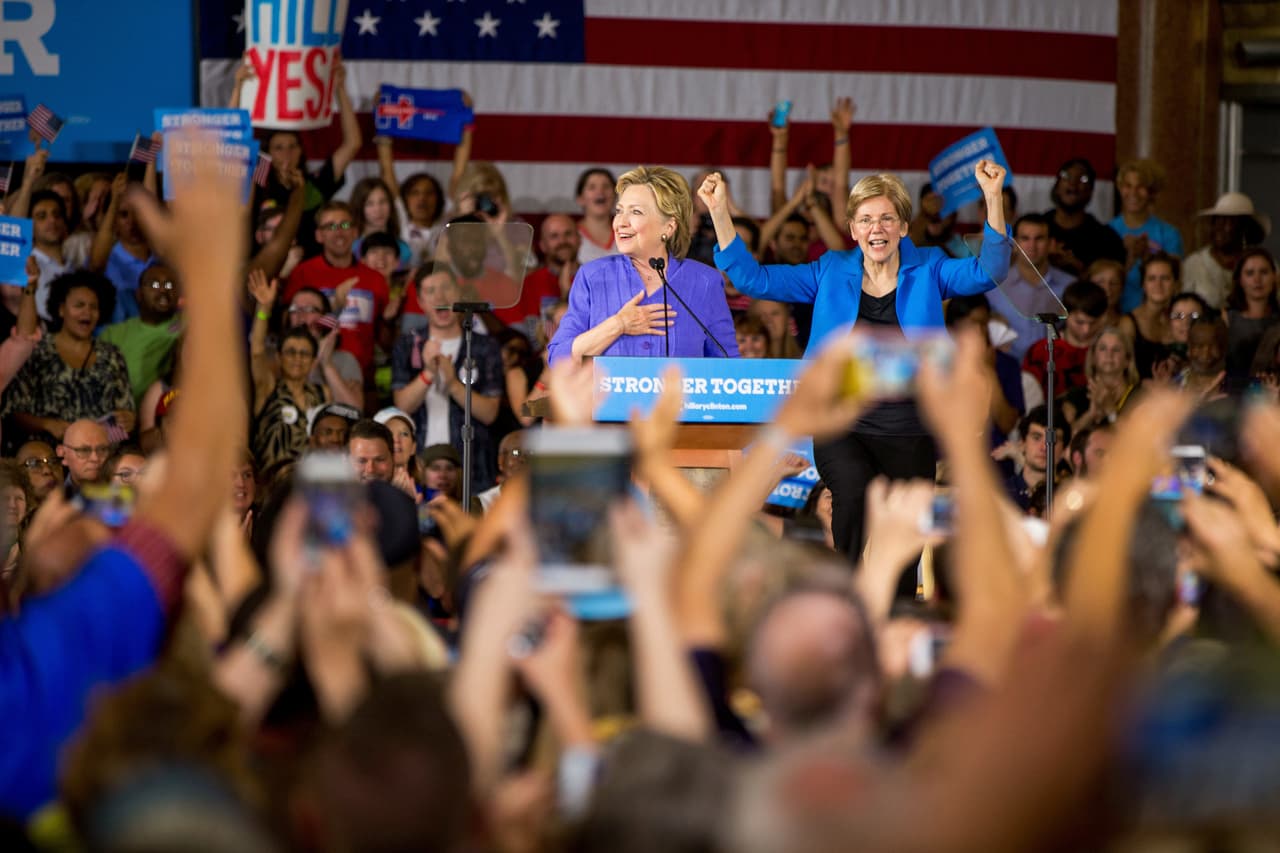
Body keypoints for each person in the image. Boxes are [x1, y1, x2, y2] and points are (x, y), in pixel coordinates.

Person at [701, 159, 1009, 558]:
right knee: (852, 491)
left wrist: (993, 197)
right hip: (842, 420)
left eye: (886, 219)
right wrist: (720, 211)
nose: (875, 229)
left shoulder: (929, 267)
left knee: (905, 535)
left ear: (901, 226)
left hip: (909, 427)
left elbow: (990, 270)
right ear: (852, 230)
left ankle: (895, 608)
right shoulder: (829, 270)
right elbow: (752, 279)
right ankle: (845, 587)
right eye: (865, 220)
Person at [548, 166, 738, 364]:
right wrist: (618, 324)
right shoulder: (592, 276)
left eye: (636, 212)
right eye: (619, 211)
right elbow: (558, 359)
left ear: (669, 226)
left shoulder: (705, 281)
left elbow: (729, 364)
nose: (620, 222)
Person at [391, 270, 504, 494]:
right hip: (421, 463)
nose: (440, 298)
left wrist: (452, 383)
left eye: (446, 288)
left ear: (459, 293)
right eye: (431, 291)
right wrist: (428, 374)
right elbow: (401, 407)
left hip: (472, 467)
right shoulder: (407, 344)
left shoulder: (484, 347)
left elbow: (490, 413)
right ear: (421, 302)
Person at [3, 270, 134, 448]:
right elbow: (13, 414)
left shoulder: (112, 355)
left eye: (93, 307)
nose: (87, 312)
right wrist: (47, 425)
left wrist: (128, 419)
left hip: (100, 455)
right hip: (46, 454)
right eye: (79, 305)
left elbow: (126, 410)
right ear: (61, 309)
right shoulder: (37, 351)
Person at [282, 200, 390, 390]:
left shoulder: (375, 279)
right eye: (330, 226)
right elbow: (288, 325)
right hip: (313, 379)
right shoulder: (302, 274)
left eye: (345, 225)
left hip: (362, 382)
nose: (339, 232)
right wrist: (334, 304)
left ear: (356, 232)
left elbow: (383, 335)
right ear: (319, 235)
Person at [985, 213, 1074, 362]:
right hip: (1008, 372)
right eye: (1025, 238)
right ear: (1014, 244)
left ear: (1051, 243)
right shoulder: (994, 287)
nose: (1032, 245)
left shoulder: (1070, 286)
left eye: (1039, 238)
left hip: (1054, 370)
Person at [98, 262, 182, 407]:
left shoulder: (191, 325)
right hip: (121, 416)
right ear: (139, 294)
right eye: (155, 285)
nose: (163, 290)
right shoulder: (113, 333)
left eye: (169, 285)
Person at [1108, 158, 1184, 312]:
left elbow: (1176, 281)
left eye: (1140, 187)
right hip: (1115, 317)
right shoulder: (1107, 231)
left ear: (1152, 192)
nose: (1133, 193)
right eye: (1127, 186)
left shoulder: (1169, 234)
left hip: (1158, 316)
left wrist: (1147, 256)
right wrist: (1130, 257)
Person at [250, 326, 329, 471]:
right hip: (273, 483)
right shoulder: (268, 389)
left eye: (304, 353)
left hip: (311, 481)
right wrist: (263, 309)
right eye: (290, 352)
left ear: (313, 361)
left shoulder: (322, 393)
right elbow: (256, 351)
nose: (297, 358)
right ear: (279, 357)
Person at [1182, 192, 1270, 310]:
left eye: (1229, 222)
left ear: (1244, 228)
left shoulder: (1264, 265)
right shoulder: (1194, 264)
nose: (1220, 228)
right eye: (1217, 221)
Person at [1022, 279, 1108, 399]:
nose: (1086, 330)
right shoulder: (1041, 351)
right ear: (1063, 312)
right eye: (1079, 322)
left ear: (1104, 317)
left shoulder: (1111, 351)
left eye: (1093, 323)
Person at [1042, 157, 1125, 275]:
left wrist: (1078, 267)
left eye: (1083, 179)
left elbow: (1112, 285)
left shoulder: (1106, 239)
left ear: (1091, 191)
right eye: (1066, 176)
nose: (1073, 183)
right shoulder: (1035, 230)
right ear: (1057, 186)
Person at [1062, 327, 1140, 433]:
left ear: (1127, 360)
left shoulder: (1140, 396)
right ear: (1093, 357)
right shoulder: (1076, 396)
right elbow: (1067, 441)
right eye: (1103, 348)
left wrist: (1110, 410)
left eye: (1116, 349)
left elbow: (1136, 440)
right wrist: (1091, 414)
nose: (1109, 354)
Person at [1118, 252, 1180, 379]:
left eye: (1165, 278)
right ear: (1143, 285)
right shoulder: (1128, 323)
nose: (1158, 284)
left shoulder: (1182, 319)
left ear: (1175, 284)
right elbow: (1122, 373)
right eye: (1151, 278)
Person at [1000, 405, 1070, 513]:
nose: (1044, 447)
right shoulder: (999, 495)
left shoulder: (1073, 500)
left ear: (1064, 450)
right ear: (1022, 443)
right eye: (1036, 438)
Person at [1223, 248, 1279, 379]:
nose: (1257, 279)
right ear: (1240, 280)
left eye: (1264, 272)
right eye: (1249, 273)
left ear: (1274, 277)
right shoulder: (1226, 318)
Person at [575, 168, 618, 264]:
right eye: (592, 187)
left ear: (615, 196)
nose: (600, 192)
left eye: (606, 186)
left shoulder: (628, 233)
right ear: (580, 198)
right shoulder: (570, 235)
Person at [57, 419, 112, 492]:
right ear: (64, 454)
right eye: (84, 450)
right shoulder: (53, 500)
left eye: (102, 450)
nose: (95, 458)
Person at [348, 419, 395, 484]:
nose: (371, 470)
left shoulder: (410, 493)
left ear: (393, 458)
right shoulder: (331, 493)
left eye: (379, 460)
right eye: (361, 461)